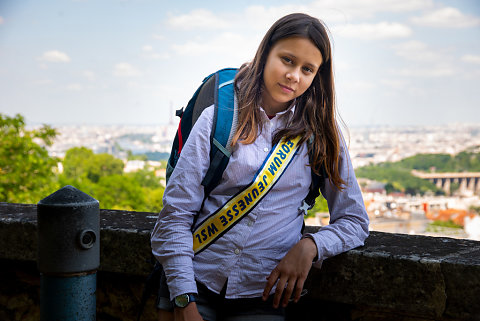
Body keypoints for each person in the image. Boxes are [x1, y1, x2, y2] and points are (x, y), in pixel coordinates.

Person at [150, 12, 369, 321]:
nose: (294, 76)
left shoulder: (321, 133)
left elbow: (355, 221)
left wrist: (311, 246)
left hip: (264, 293)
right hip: (194, 282)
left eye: (308, 69)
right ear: (265, 54)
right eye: (288, 60)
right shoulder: (220, 116)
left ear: (318, 75)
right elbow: (174, 216)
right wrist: (184, 299)